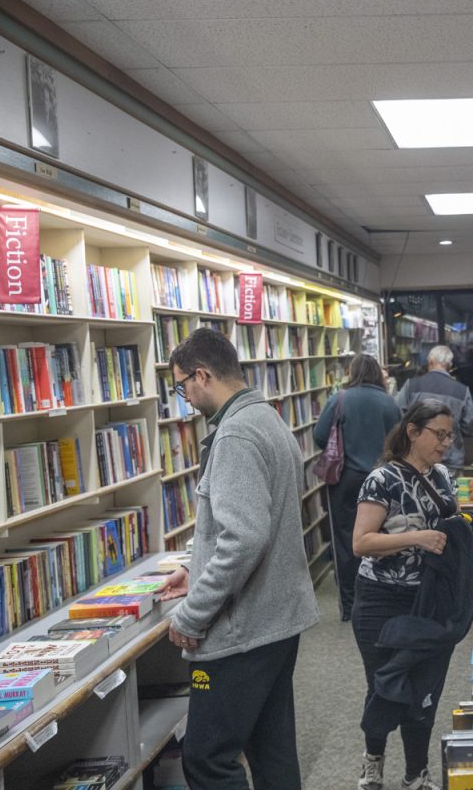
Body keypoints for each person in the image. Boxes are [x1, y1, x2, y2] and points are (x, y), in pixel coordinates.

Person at [157, 328, 319, 790]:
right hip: (276, 619)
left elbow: (244, 537)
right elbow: (247, 521)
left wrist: (192, 614)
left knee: (207, 759)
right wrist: (195, 566)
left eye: (181, 385)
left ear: (202, 375)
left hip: (241, 632)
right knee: (272, 753)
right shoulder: (266, 418)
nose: (183, 397)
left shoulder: (235, 435)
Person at [352, 400, 461, 790]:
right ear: (413, 431)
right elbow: (361, 542)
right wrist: (417, 538)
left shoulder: (444, 476)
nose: (446, 443)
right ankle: (372, 763)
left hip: (430, 600)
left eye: (450, 435)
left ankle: (417, 774)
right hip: (382, 599)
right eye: (439, 434)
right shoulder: (382, 480)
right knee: (384, 685)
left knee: (425, 691)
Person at [315, 354, 403, 621]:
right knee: (383, 537)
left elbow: (320, 436)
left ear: (352, 372)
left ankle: (350, 606)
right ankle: (381, 599)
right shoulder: (390, 403)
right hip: (382, 480)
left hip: (345, 479)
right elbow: (400, 444)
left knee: (345, 542)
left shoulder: (340, 399)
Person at [395, 345, 473, 472]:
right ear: (449, 365)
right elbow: (469, 426)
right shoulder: (462, 390)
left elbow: (398, 416)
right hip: (450, 458)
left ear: (430, 362)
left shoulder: (411, 385)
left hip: (417, 458)